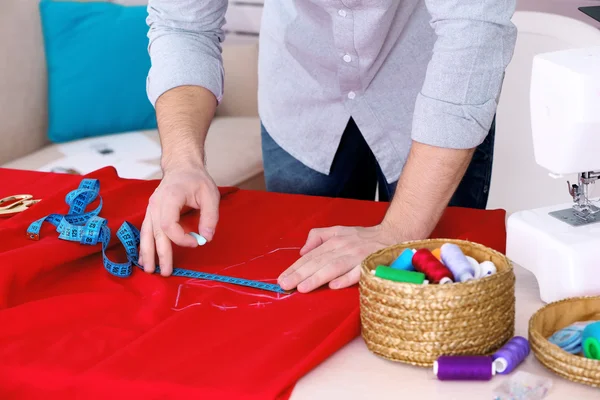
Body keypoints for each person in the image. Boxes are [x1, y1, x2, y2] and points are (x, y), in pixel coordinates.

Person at [138, 0, 517, 293]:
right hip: (302, 92)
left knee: (438, 296)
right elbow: (183, 26)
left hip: (431, 88)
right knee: (305, 289)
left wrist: (398, 229)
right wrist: (182, 161)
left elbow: (474, 36)